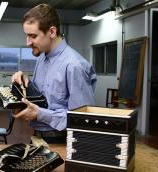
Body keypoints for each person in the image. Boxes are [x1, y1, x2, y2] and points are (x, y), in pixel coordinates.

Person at [11, 4, 97, 143]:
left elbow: (82, 120)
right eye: (26, 36)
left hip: (61, 141)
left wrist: (40, 114)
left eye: (32, 36)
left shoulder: (74, 66)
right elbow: (45, 97)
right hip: (38, 136)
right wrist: (27, 83)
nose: (28, 42)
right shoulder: (42, 57)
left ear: (51, 32)